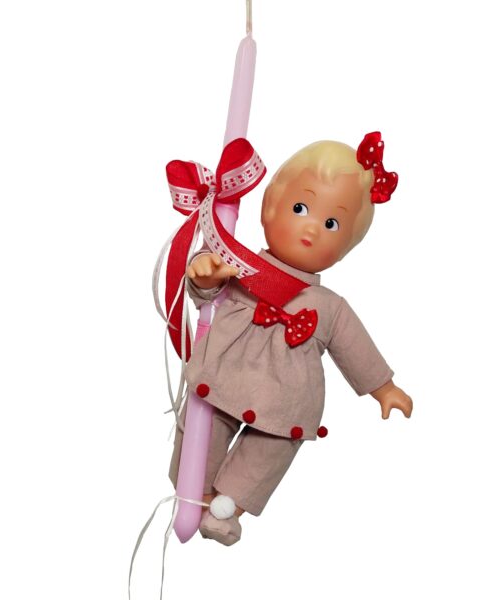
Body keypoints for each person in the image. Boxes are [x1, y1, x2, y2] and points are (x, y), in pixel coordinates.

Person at [168, 137, 413, 545]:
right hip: (224, 378)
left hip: (286, 400)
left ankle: (228, 507)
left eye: (332, 224)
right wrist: (206, 275)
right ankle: (199, 493)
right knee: (203, 426)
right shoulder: (241, 265)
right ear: (269, 208)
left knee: (274, 448)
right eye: (301, 208)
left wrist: (383, 388)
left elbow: (356, 349)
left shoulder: (330, 306)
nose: (312, 227)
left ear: (345, 249)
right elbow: (205, 295)